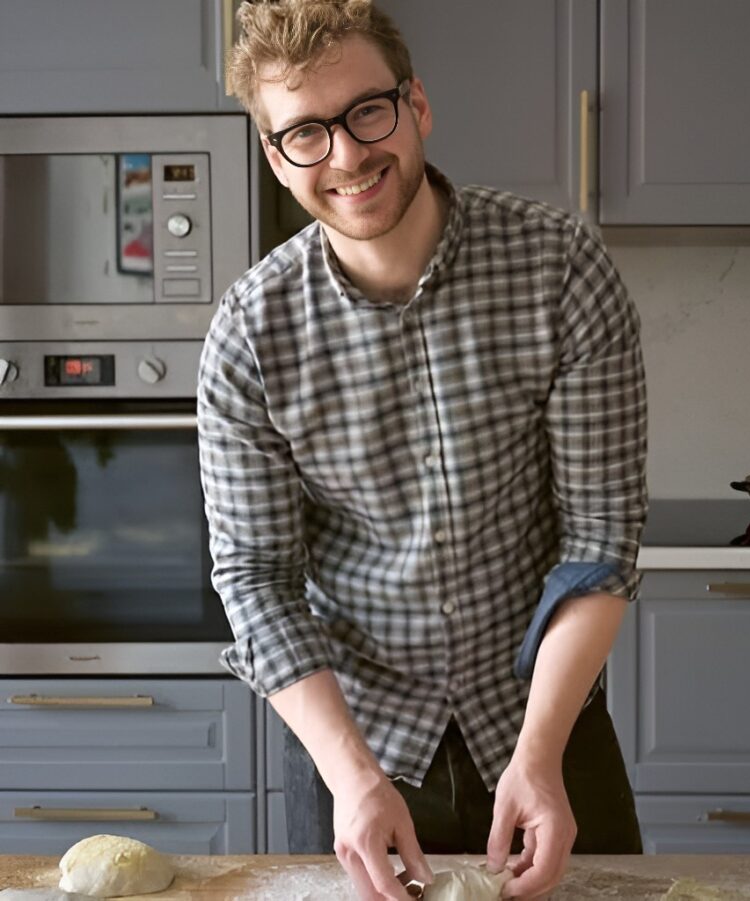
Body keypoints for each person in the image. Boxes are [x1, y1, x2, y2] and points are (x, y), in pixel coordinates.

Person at [197, 2, 648, 898]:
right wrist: (352, 775)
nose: (348, 156)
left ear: (417, 106)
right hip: (353, 748)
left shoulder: (561, 267)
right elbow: (256, 579)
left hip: (545, 728)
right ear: (275, 158)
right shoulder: (248, 336)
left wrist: (539, 755)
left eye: (368, 112)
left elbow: (598, 543)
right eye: (305, 136)